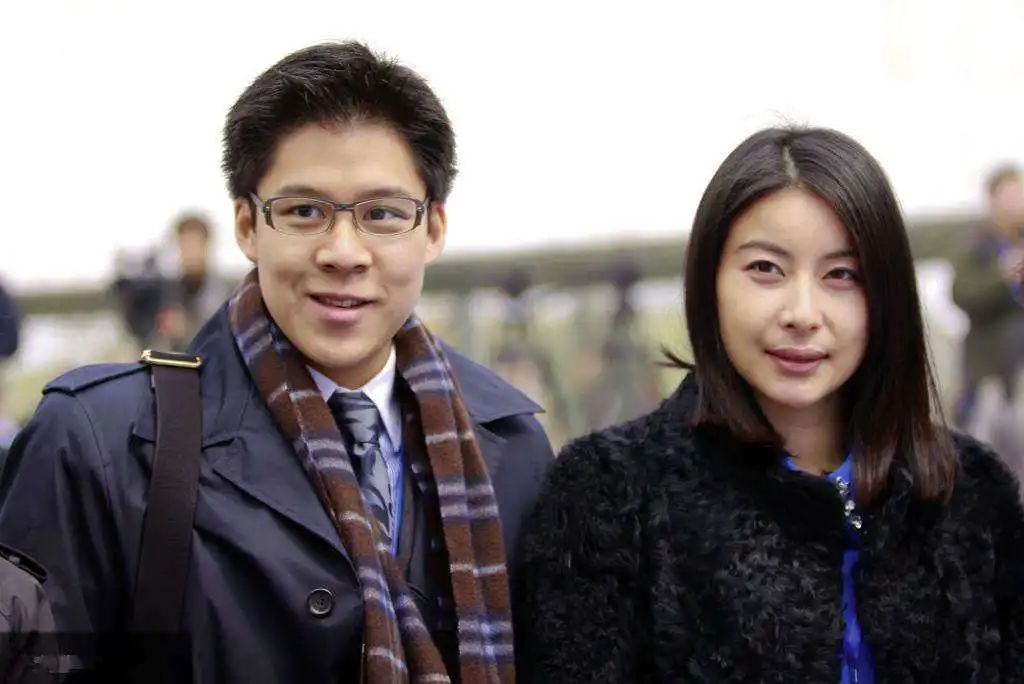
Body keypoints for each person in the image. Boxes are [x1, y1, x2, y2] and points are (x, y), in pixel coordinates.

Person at [0, 42, 553, 682]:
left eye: (382, 214)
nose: (343, 252)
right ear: (246, 226)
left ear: (432, 229)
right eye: (304, 212)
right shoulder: (100, 446)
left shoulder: (512, 450)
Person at [515, 127, 1024, 681]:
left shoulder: (972, 491)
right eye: (766, 269)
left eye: (842, 275)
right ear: (708, 279)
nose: (802, 313)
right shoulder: (609, 494)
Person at [951, 165, 1024, 428]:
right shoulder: (976, 244)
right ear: (993, 199)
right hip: (987, 369)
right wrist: (1003, 278)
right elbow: (962, 294)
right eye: (1011, 194)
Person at [154, 213, 234, 351]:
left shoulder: (226, 292)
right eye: (185, 244)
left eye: (194, 245)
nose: (190, 253)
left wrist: (186, 329)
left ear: (206, 245)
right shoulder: (168, 292)